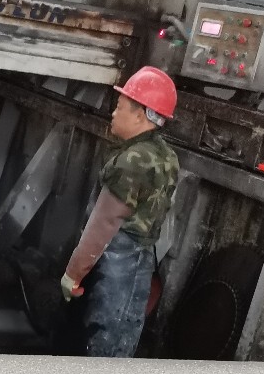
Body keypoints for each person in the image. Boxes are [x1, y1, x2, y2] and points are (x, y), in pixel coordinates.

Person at [61, 66, 180, 358]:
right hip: (141, 261)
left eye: (120, 107)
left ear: (140, 115)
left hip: (117, 262)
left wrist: (73, 274)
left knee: (103, 343)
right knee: (122, 341)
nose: (113, 114)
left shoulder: (132, 161)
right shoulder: (166, 156)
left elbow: (103, 224)